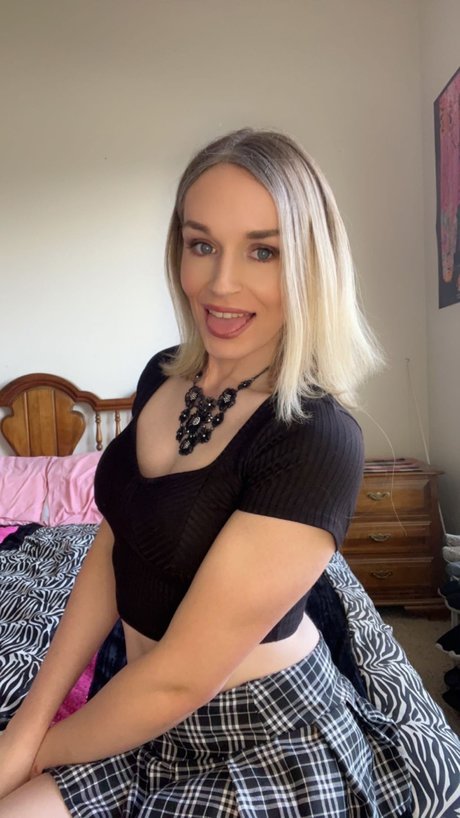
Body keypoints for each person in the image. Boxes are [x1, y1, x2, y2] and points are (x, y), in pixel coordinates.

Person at [0, 128, 412, 817]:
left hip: (261, 737)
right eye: (202, 245)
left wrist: (35, 754)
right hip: (129, 704)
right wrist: (28, 723)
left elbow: (179, 681)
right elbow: (116, 542)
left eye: (263, 251)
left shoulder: (317, 439)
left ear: (310, 265)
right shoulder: (161, 376)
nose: (221, 284)